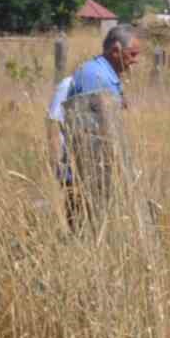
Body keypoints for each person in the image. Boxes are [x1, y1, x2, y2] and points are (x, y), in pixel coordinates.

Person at [63, 26, 143, 225]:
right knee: (93, 219)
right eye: (132, 54)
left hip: (99, 163)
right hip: (92, 166)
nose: (136, 60)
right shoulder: (96, 77)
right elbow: (96, 131)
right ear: (116, 50)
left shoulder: (103, 73)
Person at [45, 74, 77, 227]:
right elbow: (53, 123)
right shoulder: (69, 84)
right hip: (71, 159)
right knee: (75, 209)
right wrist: (55, 161)